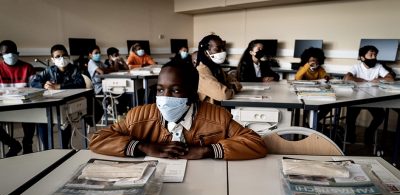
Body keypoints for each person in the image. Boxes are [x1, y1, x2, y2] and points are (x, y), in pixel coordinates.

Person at [89, 60, 267, 160]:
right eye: (160, 90)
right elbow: (98, 139)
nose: (165, 97)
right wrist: (145, 147)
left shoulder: (218, 118)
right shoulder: (139, 117)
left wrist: (208, 150)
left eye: (175, 90)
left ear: (191, 93)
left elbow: (255, 143)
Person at [31, 44, 86, 149]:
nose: (62, 58)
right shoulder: (49, 70)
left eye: (64, 55)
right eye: (57, 56)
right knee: (43, 121)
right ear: (52, 59)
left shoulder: (75, 69)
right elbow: (34, 82)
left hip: (70, 104)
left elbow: (80, 84)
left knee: (64, 121)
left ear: (68, 56)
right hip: (53, 103)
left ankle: (65, 148)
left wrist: (59, 86)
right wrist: (44, 85)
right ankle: (47, 149)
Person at [344, 45, 394, 144]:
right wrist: (362, 80)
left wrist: (377, 80)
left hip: (372, 98)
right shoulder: (356, 67)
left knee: (380, 115)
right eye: (371, 55)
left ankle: (369, 132)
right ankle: (350, 137)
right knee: (350, 118)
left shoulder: (378, 66)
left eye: (375, 55)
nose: (374, 57)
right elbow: (346, 78)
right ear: (362, 58)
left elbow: (390, 78)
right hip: (356, 98)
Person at [0, 40, 36, 155]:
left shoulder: (28, 68)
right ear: (1, 55)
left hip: (25, 106)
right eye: (7, 52)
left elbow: (36, 89)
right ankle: (13, 144)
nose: (11, 55)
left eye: (13, 52)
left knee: (32, 113)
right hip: (4, 107)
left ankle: (28, 143)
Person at [196, 34, 242, 104]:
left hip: (221, 107)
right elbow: (223, 94)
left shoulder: (216, 68)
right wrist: (231, 88)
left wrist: (229, 88)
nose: (222, 52)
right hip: (210, 112)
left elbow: (238, 84)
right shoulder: (202, 71)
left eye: (223, 49)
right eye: (218, 49)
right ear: (206, 53)